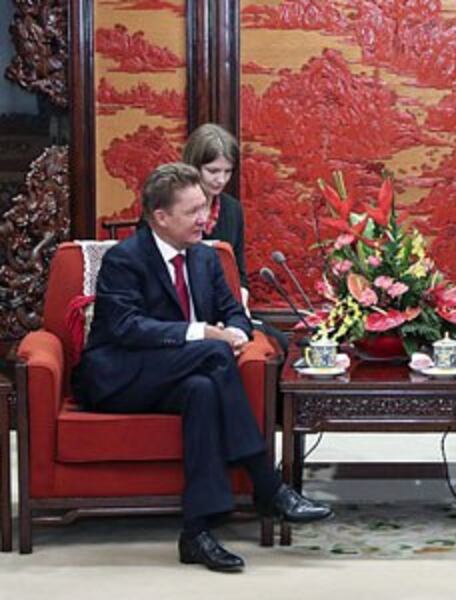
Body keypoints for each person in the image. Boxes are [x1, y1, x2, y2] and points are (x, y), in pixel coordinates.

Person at [74, 163, 331, 572]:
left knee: (204, 389)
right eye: (193, 211)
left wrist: (236, 333)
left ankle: (196, 532)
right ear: (160, 217)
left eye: (205, 208)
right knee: (211, 355)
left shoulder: (205, 259)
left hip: (181, 375)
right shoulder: (126, 259)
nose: (205, 218)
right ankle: (267, 484)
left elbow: (235, 311)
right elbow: (125, 327)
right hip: (120, 375)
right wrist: (203, 334)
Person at [182, 123, 289, 354]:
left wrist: (239, 313)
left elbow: (239, 273)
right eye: (213, 171)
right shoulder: (172, 207)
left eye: (227, 172)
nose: (221, 180)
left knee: (281, 342)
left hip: (226, 307)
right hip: (183, 309)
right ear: (193, 166)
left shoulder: (232, 210)